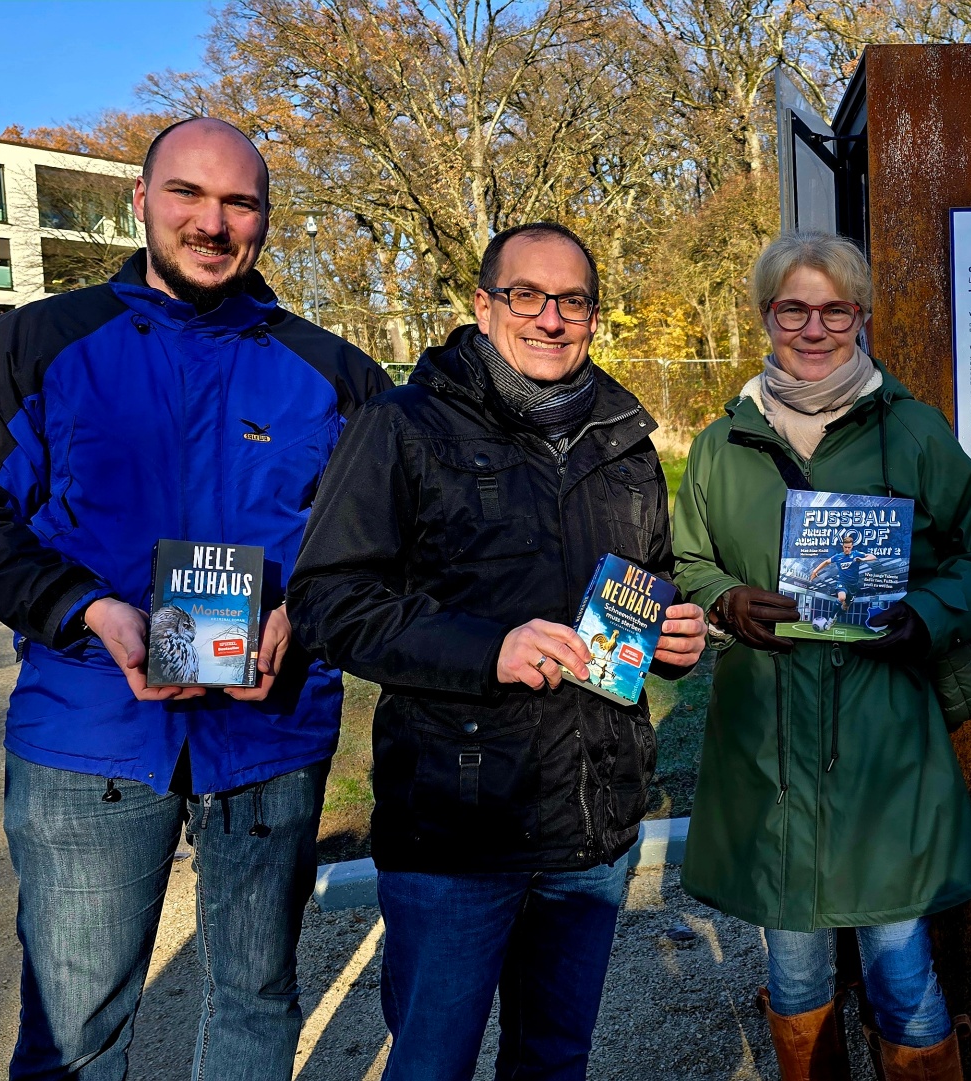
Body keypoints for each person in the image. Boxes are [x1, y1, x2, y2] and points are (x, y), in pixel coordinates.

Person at [0, 117, 388, 1078]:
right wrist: (84, 607)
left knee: (256, 1001)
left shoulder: (334, 375)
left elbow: (389, 539)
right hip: (88, 731)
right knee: (75, 1027)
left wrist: (309, 612)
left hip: (268, 733)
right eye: (188, 195)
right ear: (141, 201)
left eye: (239, 202)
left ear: (265, 219)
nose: (213, 222)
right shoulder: (38, 345)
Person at [286, 221, 707, 1080]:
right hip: (458, 827)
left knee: (553, 1060)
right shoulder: (402, 425)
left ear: (593, 316)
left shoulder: (624, 437)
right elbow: (330, 600)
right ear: (483, 306)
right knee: (433, 1063)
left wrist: (673, 637)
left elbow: (647, 581)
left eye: (574, 300)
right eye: (526, 295)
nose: (551, 317)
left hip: (592, 820)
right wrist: (489, 650)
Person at [672, 231, 971, 1081]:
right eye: (794, 307)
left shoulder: (910, 431)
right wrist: (724, 596)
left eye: (836, 309)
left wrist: (926, 614)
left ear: (861, 316)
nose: (815, 326)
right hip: (769, 749)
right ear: (766, 316)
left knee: (900, 968)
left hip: (882, 744)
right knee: (794, 973)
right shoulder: (724, 446)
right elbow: (686, 556)